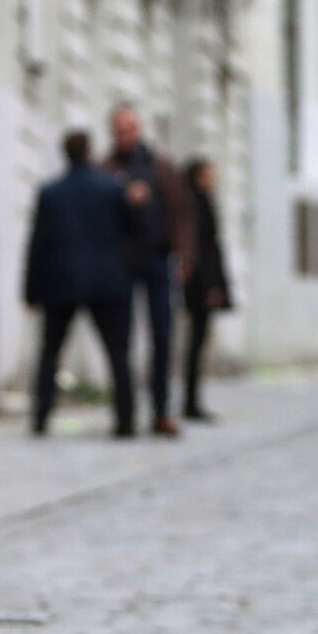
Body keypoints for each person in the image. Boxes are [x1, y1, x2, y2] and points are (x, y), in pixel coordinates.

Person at [25, 131, 138, 436]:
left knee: (50, 352)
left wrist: (31, 290)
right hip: (107, 281)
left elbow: (38, 243)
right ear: (89, 152)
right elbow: (131, 231)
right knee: (117, 353)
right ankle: (126, 420)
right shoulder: (112, 188)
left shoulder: (51, 193)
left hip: (62, 281)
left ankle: (40, 417)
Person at [105, 105, 194, 437]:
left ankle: (160, 411)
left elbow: (182, 212)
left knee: (163, 336)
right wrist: (122, 196)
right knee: (121, 340)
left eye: (130, 128)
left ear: (138, 129)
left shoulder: (161, 166)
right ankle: (125, 414)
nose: (125, 135)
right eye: (119, 130)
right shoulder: (107, 167)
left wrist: (184, 255)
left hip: (158, 261)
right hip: (122, 265)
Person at [182, 157, 233, 422]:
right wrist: (212, 285)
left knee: (197, 343)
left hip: (200, 283)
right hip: (200, 284)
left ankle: (191, 400)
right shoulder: (198, 204)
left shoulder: (200, 202)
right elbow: (206, 249)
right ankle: (190, 402)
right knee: (196, 343)